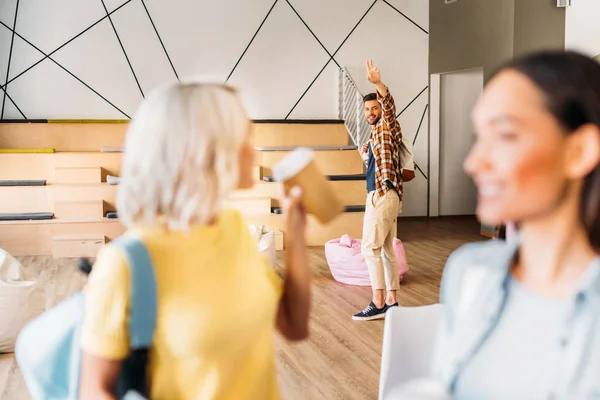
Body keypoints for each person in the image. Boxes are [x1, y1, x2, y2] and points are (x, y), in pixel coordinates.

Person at [78, 82, 311, 399]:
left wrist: (296, 233)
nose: (252, 149)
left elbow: (294, 326)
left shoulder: (234, 227)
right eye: (244, 137)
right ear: (205, 148)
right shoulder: (126, 263)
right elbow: (95, 390)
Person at [432, 50, 600, 398]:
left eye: (505, 135)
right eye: (479, 135)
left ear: (579, 151)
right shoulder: (469, 272)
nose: (474, 162)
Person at [353, 59, 403, 321]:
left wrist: (378, 84)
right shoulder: (375, 136)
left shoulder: (387, 127)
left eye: (375, 108)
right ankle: (392, 301)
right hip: (383, 194)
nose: (371, 112)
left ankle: (378, 302)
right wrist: (367, 156)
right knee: (384, 250)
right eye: (367, 109)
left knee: (369, 249)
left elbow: (389, 106)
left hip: (382, 195)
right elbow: (379, 164)